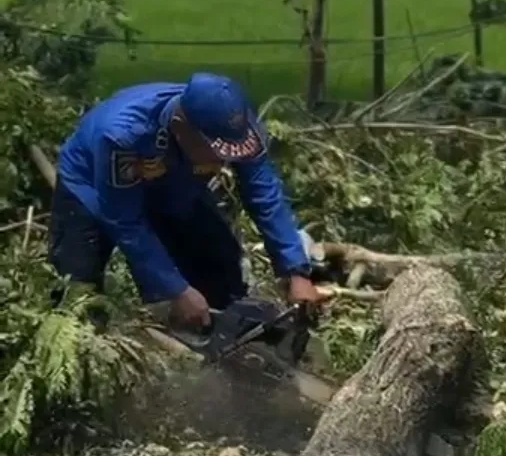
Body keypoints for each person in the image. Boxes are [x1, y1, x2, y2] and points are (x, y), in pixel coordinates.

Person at [48, 72, 326, 329]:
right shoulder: (125, 136)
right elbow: (124, 220)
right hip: (93, 188)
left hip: (174, 184)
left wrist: (295, 270)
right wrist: (175, 289)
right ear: (182, 128)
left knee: (219, 264)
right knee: (78, 292)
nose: (224, 161)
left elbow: (264, 191)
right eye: (216, 151)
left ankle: (222, 348)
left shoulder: (235, 124)